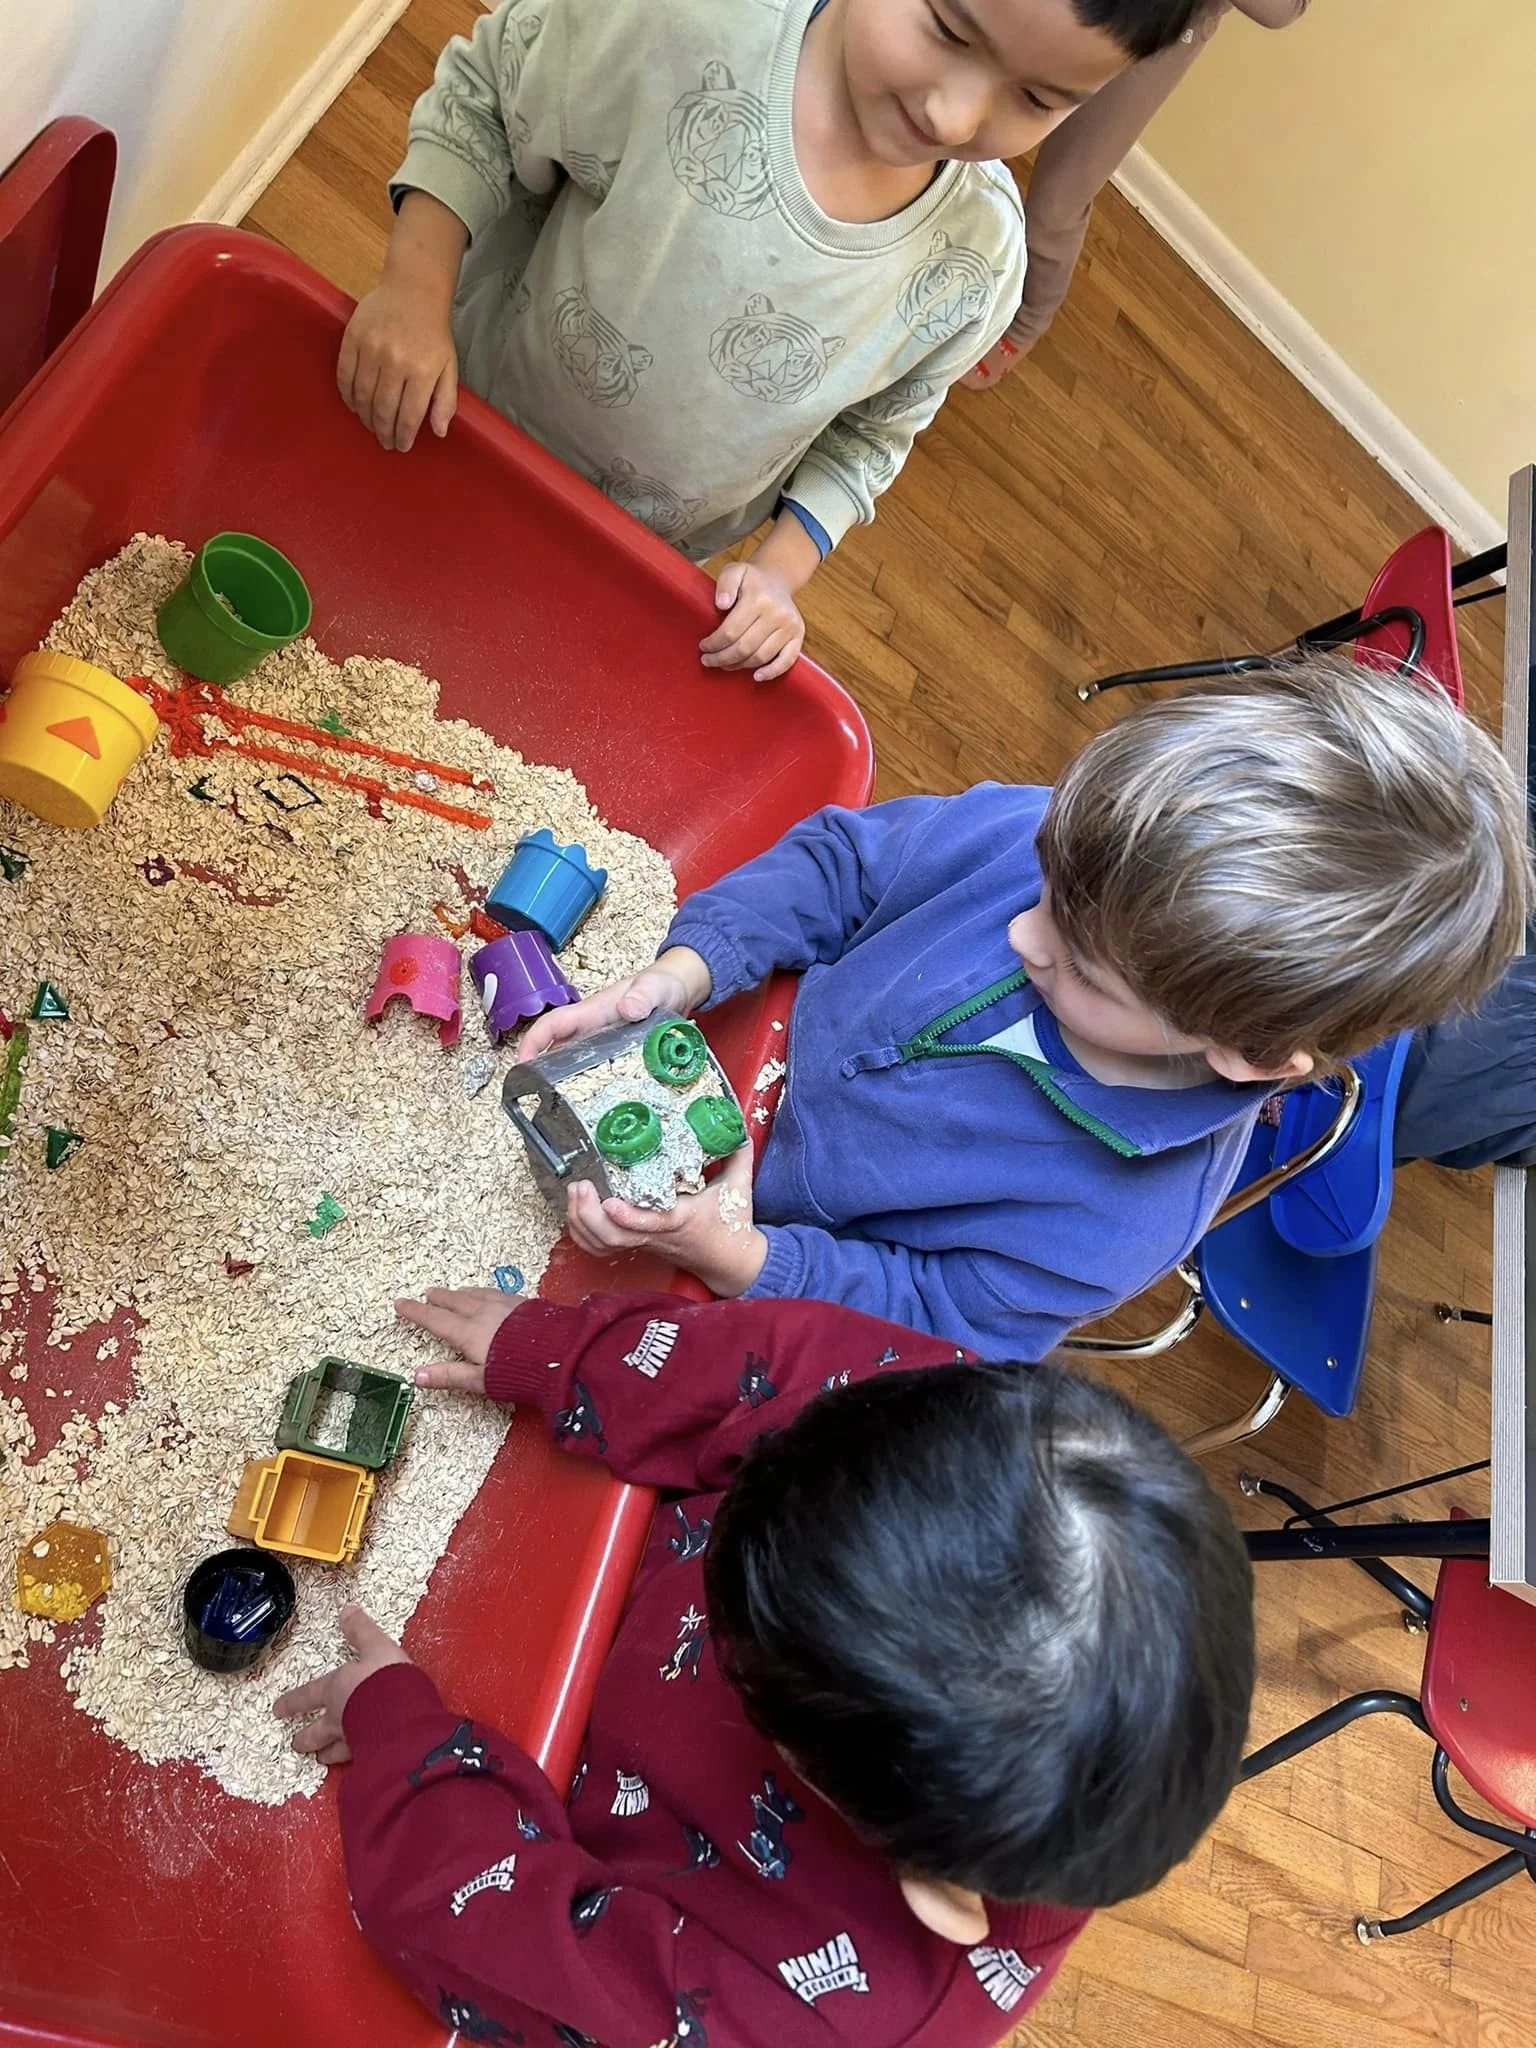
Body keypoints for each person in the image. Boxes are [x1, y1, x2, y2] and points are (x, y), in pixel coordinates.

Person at [275, 1285, 1255, 2048]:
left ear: (933, 1890)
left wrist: (403, 1742)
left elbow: (498, 1943)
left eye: (751, 1674)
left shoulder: (796, 2014)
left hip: (521, 1777)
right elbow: (783, 1364)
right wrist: (571, 1356)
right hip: (588, 1569)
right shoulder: (964, 1442)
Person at [519, 654, 1532, 1359]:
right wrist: (687, 972)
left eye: (1083, 969)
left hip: (740, 1241)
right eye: (1045, 885)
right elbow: (843, 866)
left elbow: (934, 1317)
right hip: (728, 1039)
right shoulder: (1064, 847)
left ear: (1251, 1056)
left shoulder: (1118, 1220)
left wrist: (735, 1253)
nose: (1022, 933)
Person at [337, 0, 1211, 681]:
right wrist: (413, 291)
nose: (953, 115)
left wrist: (779, 574)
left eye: (1038, 99)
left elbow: (870, 436)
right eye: (948, 28)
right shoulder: (689, 23)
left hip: (626, 548)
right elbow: (485, 100)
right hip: (449, 412)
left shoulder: (974, 265)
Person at [962, 0, 1311, 389]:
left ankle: (1027, 320)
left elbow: (1282, 10)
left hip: (1158, 35)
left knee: (1058, 202)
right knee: (969, 94)